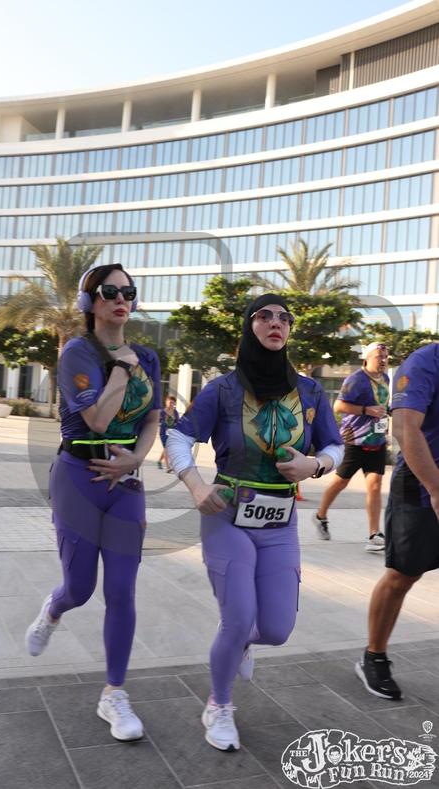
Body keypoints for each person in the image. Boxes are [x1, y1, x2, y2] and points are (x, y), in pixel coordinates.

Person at [167, 294, 343, 752]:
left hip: (280, 520)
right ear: (249, 327)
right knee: (239, 616)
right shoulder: (223, 389)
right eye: (264, 316)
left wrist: (314, 465)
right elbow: (179, 436)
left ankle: (239, 643)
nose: (275, 323)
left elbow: (336, 447)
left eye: (284, 317)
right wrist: (195, 485)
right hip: (227, 513)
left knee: (278, 630)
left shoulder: (309, 392)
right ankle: (219, 704)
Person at [25, 263, 161, 741]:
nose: (121, 299)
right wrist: (122, 365)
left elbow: (152, 419)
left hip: (125, 484)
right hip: (77, 478)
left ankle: (114, 694)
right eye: (109, 291)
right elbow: (99, 421)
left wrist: (137, 459)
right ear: (89, 301)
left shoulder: (149, 356)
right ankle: (53, 609)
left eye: (128, 291)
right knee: (80, 589)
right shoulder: (77, 353)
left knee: (121, 591)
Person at [356, 342, 439, 701]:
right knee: (403, 574)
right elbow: (405, 429)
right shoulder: (424, 363)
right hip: (421, 484)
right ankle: (374, 655)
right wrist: (436, 490)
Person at [313, 342, 390, 550]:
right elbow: (338, 406)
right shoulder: (356, 380)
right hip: (353, 441)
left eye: (386, 357)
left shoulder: (386, 378)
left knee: (375, 485)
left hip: (376, 441)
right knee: (340, 482)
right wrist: (367, 410)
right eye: (379, 356)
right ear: (367, 358)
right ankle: (320, 515)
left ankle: (374, 535)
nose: (383, 360)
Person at [157, 394, 179, 471]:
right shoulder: (162, 412)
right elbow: (157, 421)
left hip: (172, 433)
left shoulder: (175, 412)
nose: (171, 404)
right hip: (163, 433)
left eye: (173, 403)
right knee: (167, 448)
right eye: (170, 402)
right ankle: (168, 467)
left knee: (167, 448)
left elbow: (178, 422)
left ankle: (159, 461)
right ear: (166, 402)